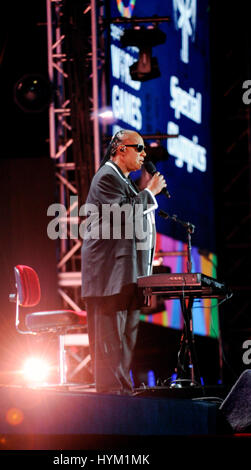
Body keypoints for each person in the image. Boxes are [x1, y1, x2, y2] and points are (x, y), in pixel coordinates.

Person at [81, 129, 166, 395]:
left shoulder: (125, 181)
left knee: (124, 341)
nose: (144, 155)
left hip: (126, 273)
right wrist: (149, 193)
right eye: (139, 148)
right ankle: (110, 399)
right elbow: (121, 216)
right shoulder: (107, 176)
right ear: (121, 150)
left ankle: (122, 394)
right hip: (108, 275)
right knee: (110, 341)